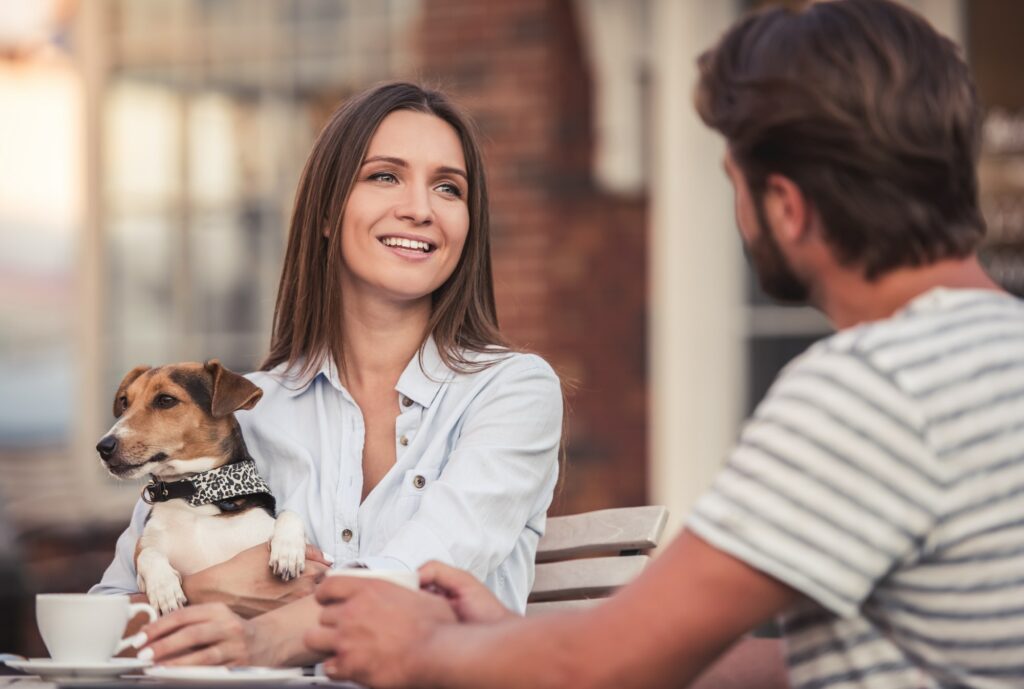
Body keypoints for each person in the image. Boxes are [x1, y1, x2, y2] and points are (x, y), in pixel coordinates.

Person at [303, 2, 1024, 688]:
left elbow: (599, 669)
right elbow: (808, 668)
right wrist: (501, 643)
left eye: (731, 184)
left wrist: (430, 647)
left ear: (787, 207)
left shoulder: (871, 390)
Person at [90, 82, 563, 667]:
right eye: (386, 176)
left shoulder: (511, 393)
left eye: (448, 187)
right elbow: (105, 615)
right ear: (324, 212)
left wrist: (254, 618)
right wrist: (212, 588)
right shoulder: (244, 412)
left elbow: (426, 578)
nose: (420, 207)